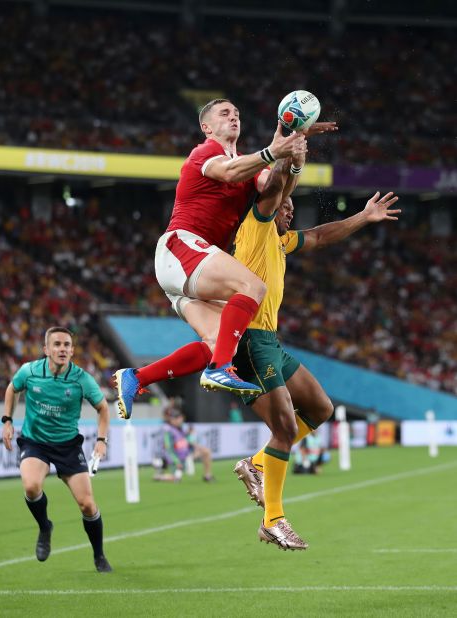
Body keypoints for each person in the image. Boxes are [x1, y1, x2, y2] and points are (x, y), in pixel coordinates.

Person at [231, 152, 400, 549]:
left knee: (321, 409)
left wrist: (363, 217)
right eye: (286, 206)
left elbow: (322, 235)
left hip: (269, 340)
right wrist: (291, 154)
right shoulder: (255, 228)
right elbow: (275, 187)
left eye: (292, 207)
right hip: (249, 339)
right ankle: (273, 519)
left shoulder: (280, 241)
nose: (290, 211)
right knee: (286, 428)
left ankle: (255, 463)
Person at [114, 98, 320, 417]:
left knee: (219, 341)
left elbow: (278, 191)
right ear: (206, 127)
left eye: (237, 113)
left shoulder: (251, 167)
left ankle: (136, 377)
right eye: (225, 114)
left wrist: (294, 158)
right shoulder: (205, 152)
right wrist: (272, 151)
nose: (234, 117)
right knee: (253, 287)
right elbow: (228, 172)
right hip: (182, 246)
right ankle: (219, 369)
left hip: (189, 268)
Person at [2, 326, 112, 572]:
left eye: (66, 345)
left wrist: (102, 440)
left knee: (87, 505)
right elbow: (12, 388)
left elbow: (103, 408)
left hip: (67, 446)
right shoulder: (29, 371)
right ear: (46, 349)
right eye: (57, 344)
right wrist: (7, 420)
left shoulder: (82, 379)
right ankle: (44, 527)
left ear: (72, 351)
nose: (62, 349)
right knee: (31, 487)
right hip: (35, 442)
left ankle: (99, 555)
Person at [153, 405, 214, 482]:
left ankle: (207, 475)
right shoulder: (168, 431)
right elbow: (168, 449)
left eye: (181, 418)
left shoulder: (181, 429)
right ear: (172, 420)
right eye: (178, 418)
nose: (181, 420)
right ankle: (159, 477)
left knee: (206, 451)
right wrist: (177, 462)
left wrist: (195, 445)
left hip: (186, 456)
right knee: (176, 478)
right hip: (176, 460)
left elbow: (186, 441)